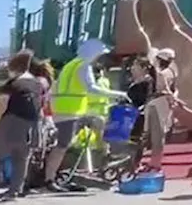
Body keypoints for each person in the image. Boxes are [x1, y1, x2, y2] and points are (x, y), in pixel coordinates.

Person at [43, 39, 128, 191]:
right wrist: (118, 94)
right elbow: (91, 88)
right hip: (70, 111)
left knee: (97, 122)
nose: (98, 58)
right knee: (62, 145)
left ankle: (105, 154)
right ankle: (50, 178)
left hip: (66, 110)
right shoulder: (84, 66)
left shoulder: (71, 65)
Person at [0, 50, 43, 201]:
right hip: (31, 124)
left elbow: (2, 103)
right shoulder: (36, 84)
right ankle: (14, 190)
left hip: (11, 122)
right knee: (21, 158)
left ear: (13, 68)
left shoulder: (13, 83)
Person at [144, 47, 178, 171]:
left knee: (156, 135)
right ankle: (155, 161)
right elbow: (174, 89)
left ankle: (155, 163)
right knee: (160, 133)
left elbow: (163, 89)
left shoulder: (161, 74)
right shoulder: (173, 72)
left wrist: (171, 98)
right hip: (165, 104)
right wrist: (173, 100)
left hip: (157, 103)